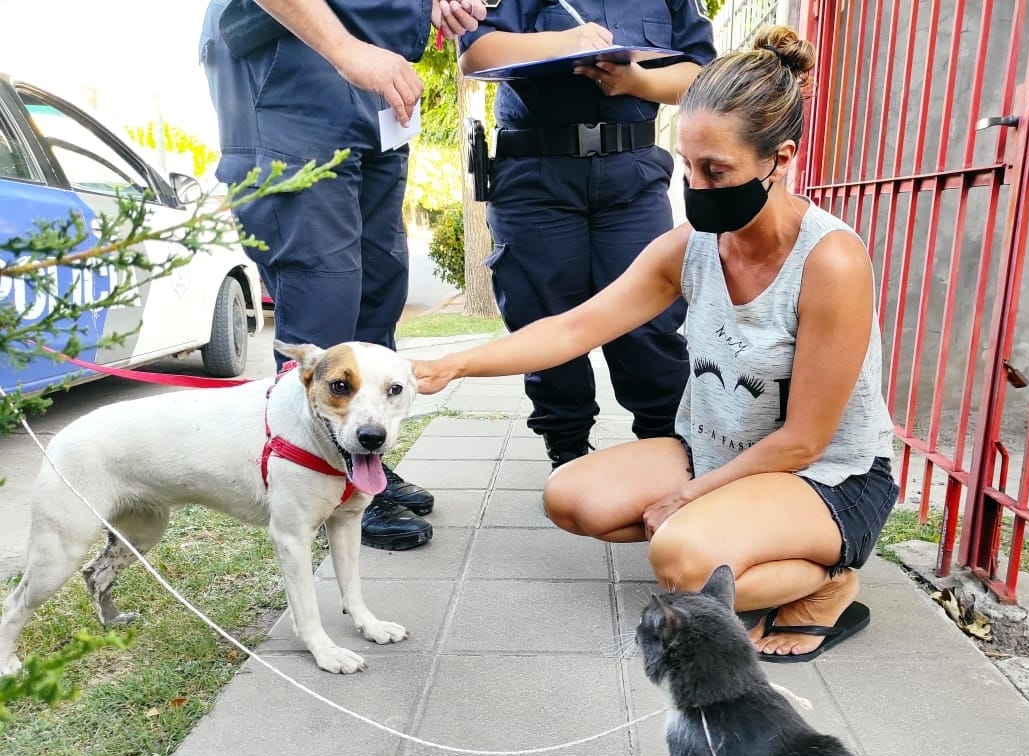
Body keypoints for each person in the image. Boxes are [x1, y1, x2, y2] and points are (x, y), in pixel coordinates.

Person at [414, 26, 901, 661]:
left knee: (680, 559)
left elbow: (806, 439)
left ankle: (828, 584)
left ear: (780, 161)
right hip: (719, 451)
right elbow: (573, 328)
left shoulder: (830, 261)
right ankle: (725, 537)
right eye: (689, 167)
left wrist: (687, 498)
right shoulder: (692, 248)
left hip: (826, 476)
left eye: (717, 170)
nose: (695, 188)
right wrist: (455, 364)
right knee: (571, 497)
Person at [199, 0, 486, 551]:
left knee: (379, 283)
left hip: (378, 82)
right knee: (323, 294)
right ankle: (316, 481)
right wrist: (346, 48)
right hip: (294, 63)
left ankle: (362, 465)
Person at [455, 1, 716, 468]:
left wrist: (640, 82)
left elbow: (701, 73)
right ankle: (568, 449)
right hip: (537, 173)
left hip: (632, 174)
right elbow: (476, 52)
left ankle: (666, 450)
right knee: (545, 315)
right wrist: (565, 42)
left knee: (648, 322)